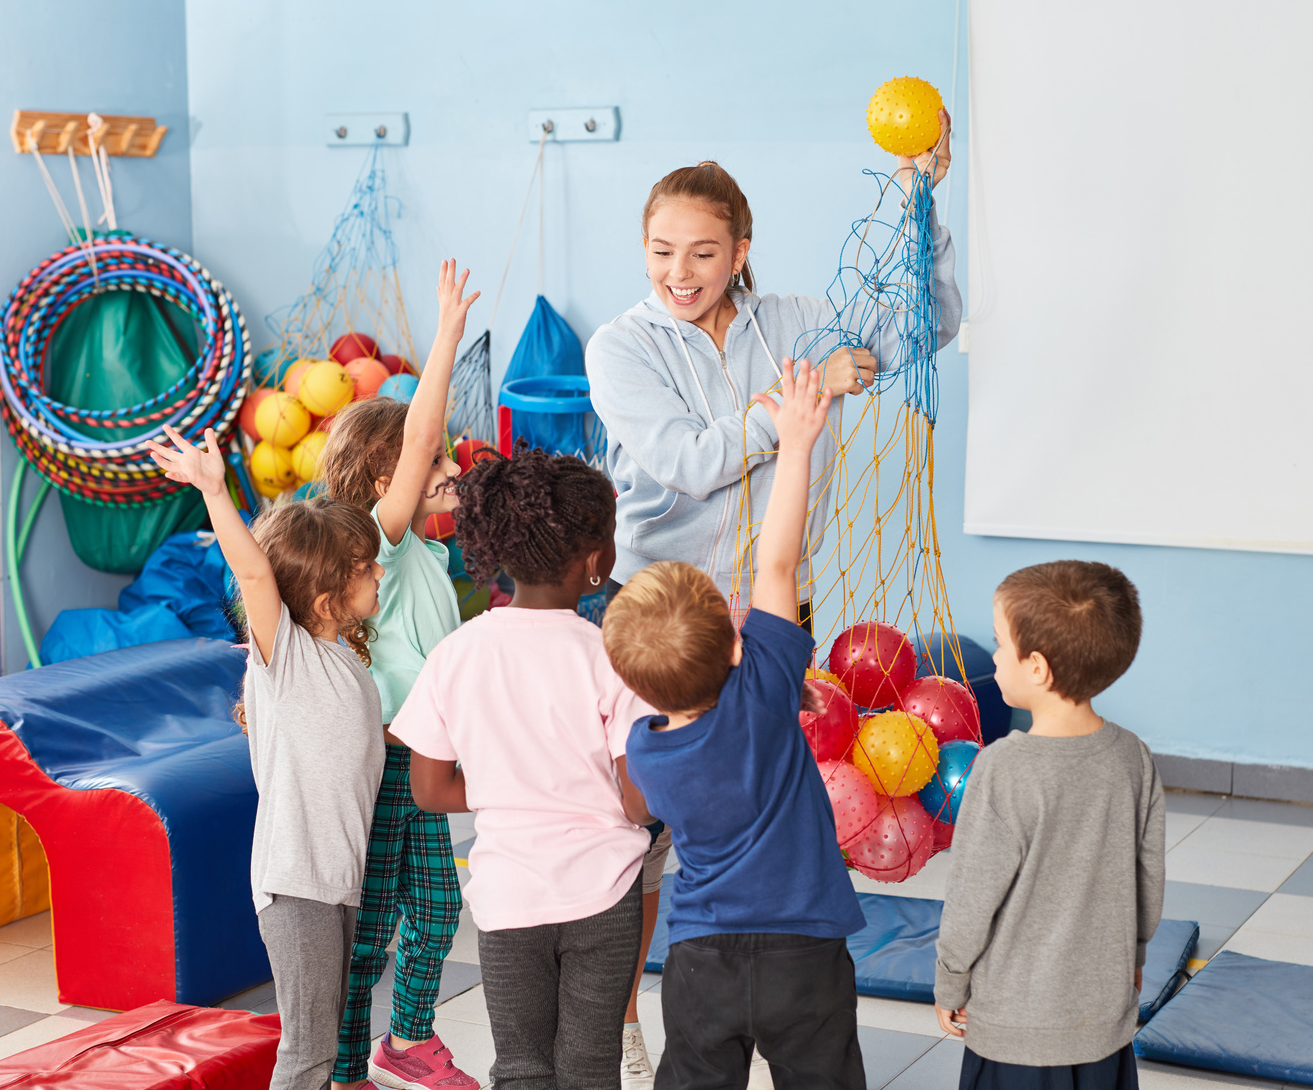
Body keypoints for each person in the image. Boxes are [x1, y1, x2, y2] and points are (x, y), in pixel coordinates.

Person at [586, 116, 958, 1082]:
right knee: (639, 836)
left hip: (768, 620)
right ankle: (625, 1009)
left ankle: (774, 966)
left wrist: (922, 208)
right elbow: (685, 462)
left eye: (704, 252)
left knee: (765, 813)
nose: (681, 270)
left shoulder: (791, 322)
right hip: (660, 614)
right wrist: (792, 411)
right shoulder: (620, 347)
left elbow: (924, 327)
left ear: (741, 251)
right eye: (663, 251)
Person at [605, 358, 867, 1090]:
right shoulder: (763, 693)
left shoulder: (644, 751)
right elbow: (778, 566)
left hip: (698, 959)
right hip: (804, 954)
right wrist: (798, 441)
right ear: (735, 644)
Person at [389, 448, 657, 1090]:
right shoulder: (611, 658)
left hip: (509, 900)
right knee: (590, 1067)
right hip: (607, 893)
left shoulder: (457, 653)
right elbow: (638, 805)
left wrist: (511, 789)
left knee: (522, 1067)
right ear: (596, 562)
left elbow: (428, 789)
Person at [146, 428, 384, 1090]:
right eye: (365, 567)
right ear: (326, 587)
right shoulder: (289, 657)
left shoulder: (341, 661)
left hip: (337, 881)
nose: (378, 574)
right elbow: (254, 571)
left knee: (328, 1038)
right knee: (307, 1048)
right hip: (298, 883)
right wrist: (214, 490)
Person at [313, 260, 481, 1090]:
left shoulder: (426, 556)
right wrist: (446, 334)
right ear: (389, 483)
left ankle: (406, 1038)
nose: (447, 469)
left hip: (423, 762)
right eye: (433, 464)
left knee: (440, 911)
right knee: (371, 928)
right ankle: (349, 1064)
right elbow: (419, 438)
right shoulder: (372, 545)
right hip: (382, 766)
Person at [933, 561, 1164, 1090]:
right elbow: (1148, 882)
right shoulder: (1133, 757)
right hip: (1102, 1025)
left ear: (1036, 668)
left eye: (999, 644)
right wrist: (1135, 955)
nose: (992, 657)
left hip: (1015, 1034)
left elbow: (972, 896)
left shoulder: (1001, 769)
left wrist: (950, 982)